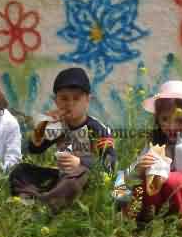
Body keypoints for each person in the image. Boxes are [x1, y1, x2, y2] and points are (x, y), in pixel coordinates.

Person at [9, 67, 115, 208]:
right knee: (21, 170)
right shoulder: (58, 126)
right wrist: (41, 129)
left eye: (76, 98)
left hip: (85, 180)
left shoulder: (97, 128)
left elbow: (110, 164)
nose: (70, 103)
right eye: (64, 98)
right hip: (62, 176)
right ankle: (33, 198)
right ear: (56, 101)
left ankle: (46, 205)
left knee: (76, 177)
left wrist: (81, 162)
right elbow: (35, 149)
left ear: (87, 100)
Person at [124, 80, 182, 235]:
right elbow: (129, 178)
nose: (171, 126)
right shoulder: (156, 143)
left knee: (174, 180)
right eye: (165, 119)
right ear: (157, 119)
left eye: (180, 120)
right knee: (142, 184)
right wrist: (139, 168)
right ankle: (145, 224)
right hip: (164, 203)